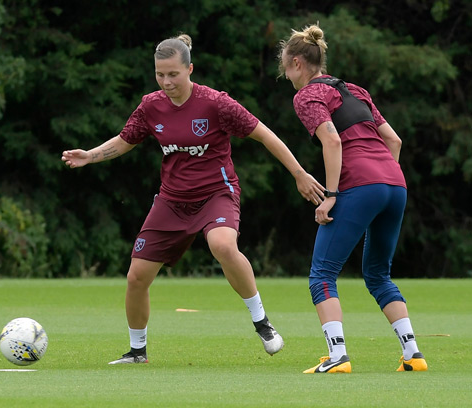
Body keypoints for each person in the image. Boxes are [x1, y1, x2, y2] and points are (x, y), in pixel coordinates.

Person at [62, 34, 324, 364]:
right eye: (160, 74)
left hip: (217, 193)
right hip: (171, 200)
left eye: (173, 74)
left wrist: (299, 174)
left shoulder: (216, 103)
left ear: (190, 69)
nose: (166, 81)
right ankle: (137, 352)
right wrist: (91, 156)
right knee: (136, 277)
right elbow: (126, 140)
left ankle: (262, 323)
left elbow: (264, 134)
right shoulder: (150, 105)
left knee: (223, 246)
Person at [278, 24, 428, 373]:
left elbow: (332, 141)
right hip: (395, 184)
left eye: (286, 68)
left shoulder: (306, 96)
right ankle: (413, 355)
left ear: (298, 63)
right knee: (378, 274)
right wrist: (383, 182)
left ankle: (337, 356)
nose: (286, 76)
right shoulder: (353, 89)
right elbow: (394, 142)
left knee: (322, 275)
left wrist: (330, 195)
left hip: (360, 184)